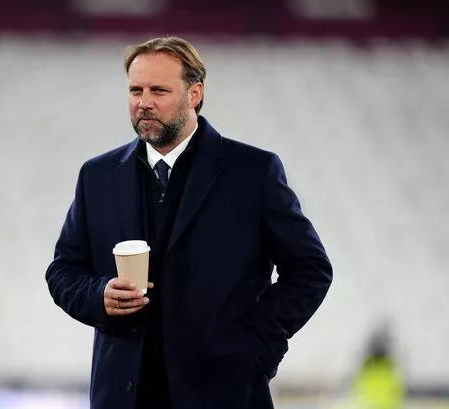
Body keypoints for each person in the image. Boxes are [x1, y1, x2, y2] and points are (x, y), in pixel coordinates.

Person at [45, 36, 333, 409]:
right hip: (124, 395)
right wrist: (98, 295)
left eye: (158, 90)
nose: (144, 102)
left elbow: (310, 268)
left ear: (194, 94)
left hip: (225, 393)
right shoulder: (97, 175)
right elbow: (63, 270)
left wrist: (259, 346)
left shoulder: (253, 173)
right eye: (136, 90)